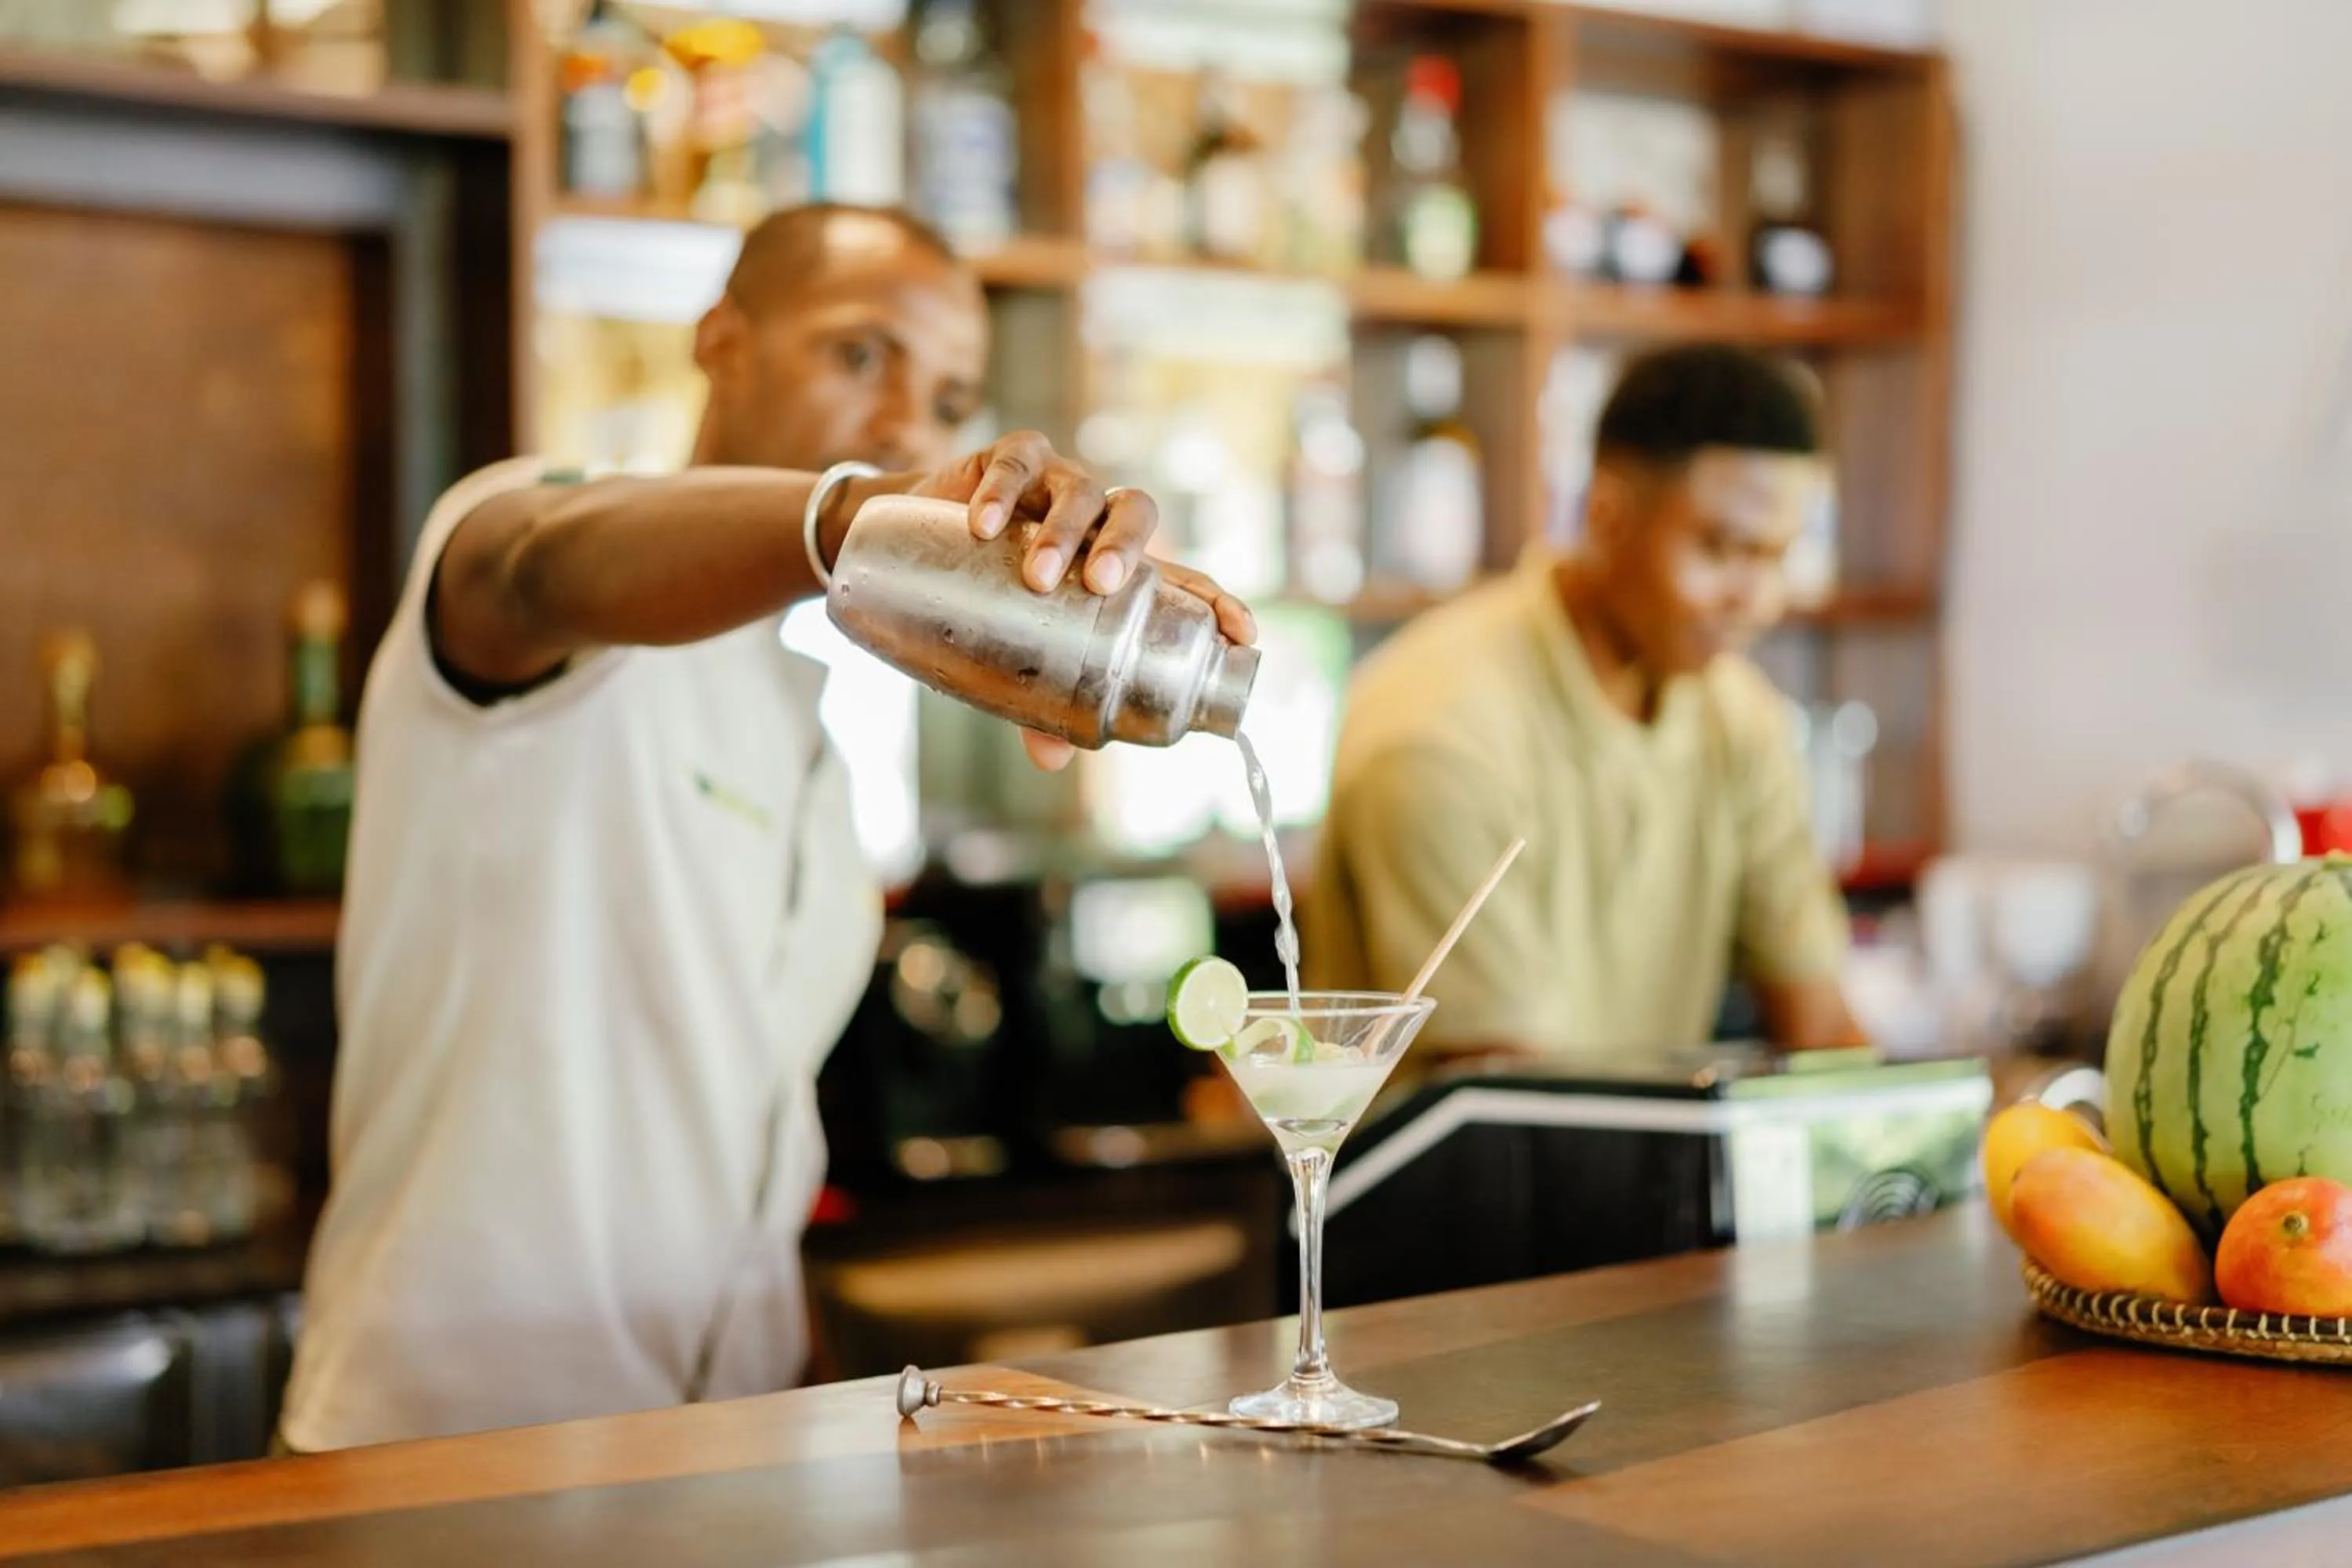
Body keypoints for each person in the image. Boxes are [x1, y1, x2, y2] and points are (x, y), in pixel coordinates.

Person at [278, 205, 1253, 1452]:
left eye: (949, 396)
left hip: (707, 1454)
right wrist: (853, 517)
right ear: (720, 341)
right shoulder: (535, 545)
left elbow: (742, 1133)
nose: (909, 424)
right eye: (859, 357)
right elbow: (538, 566)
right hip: (447, 1446)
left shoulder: (806, 738)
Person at [1303, 344, 1864, 1063]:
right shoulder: (1440, 729)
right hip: (1448, 1172)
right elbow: (1503, 1103)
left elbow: (1821, 1029)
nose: (1756, 601)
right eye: (1722, 551)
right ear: (1607, 515)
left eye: (1777, 558)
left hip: (1636, 1164)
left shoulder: (1741, 717)